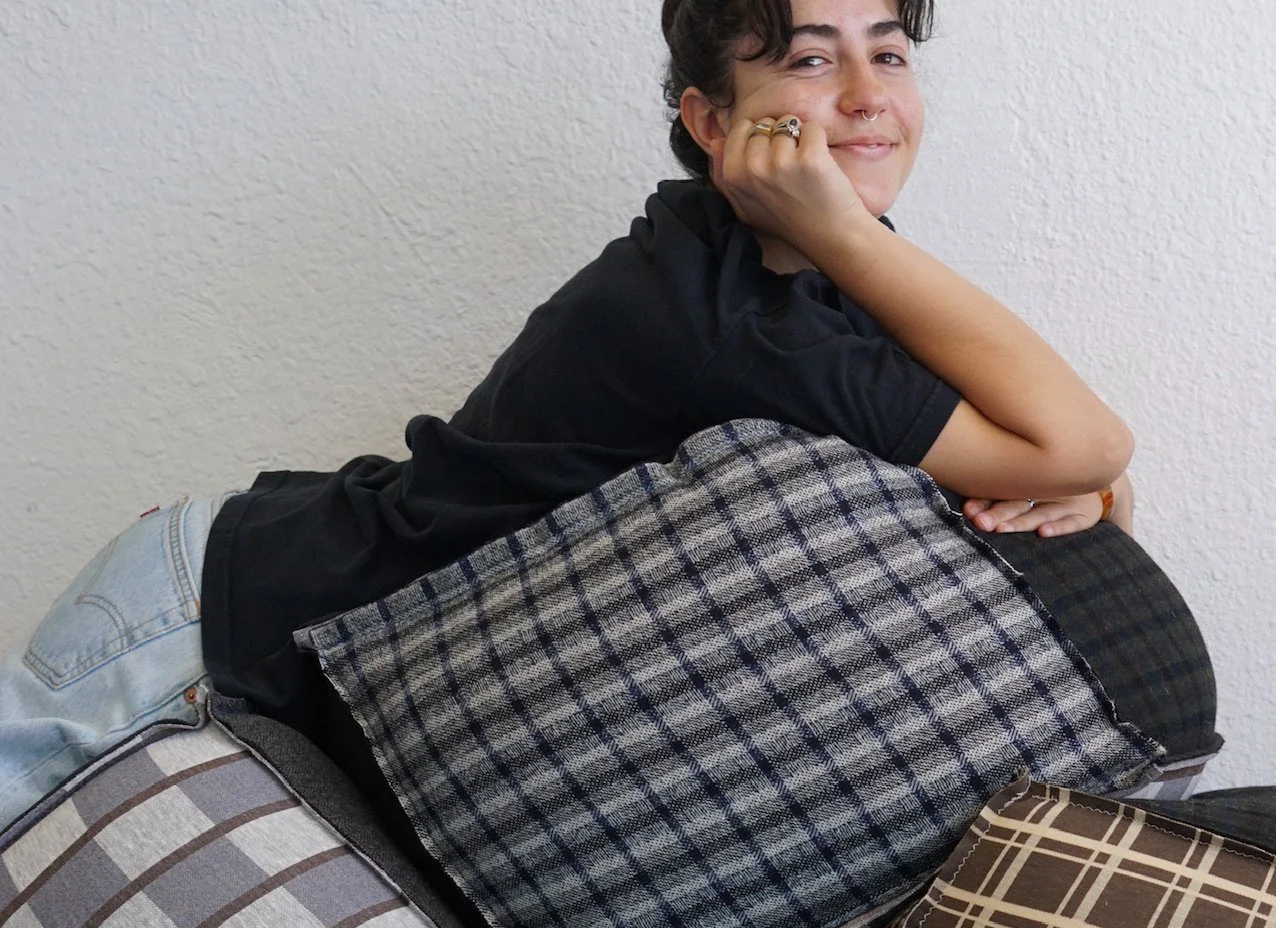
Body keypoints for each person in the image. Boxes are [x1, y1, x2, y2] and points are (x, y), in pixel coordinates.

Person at [0, 0, 1139, 843]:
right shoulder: (721, 314)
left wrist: (1083, 482)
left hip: (255, 597)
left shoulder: (818, 295)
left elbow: (1083, 462)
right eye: (806, 57)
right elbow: (1076, 444)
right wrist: (849, 240)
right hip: (202, 618)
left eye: (886, 51)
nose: (864, 93)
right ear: (709, 121)